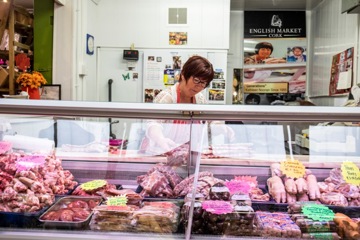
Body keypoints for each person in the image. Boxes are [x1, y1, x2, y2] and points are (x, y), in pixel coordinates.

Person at [143, 55, 235, 154]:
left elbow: (211, 122)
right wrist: (161, 140)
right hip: (163, 154)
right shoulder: (168, 97)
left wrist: (221, 128)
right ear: (183, 75)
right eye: (196, 80)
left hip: (188, 157)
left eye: (204, 83)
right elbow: (153, 124)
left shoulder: (199, 99)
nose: (199, 86)